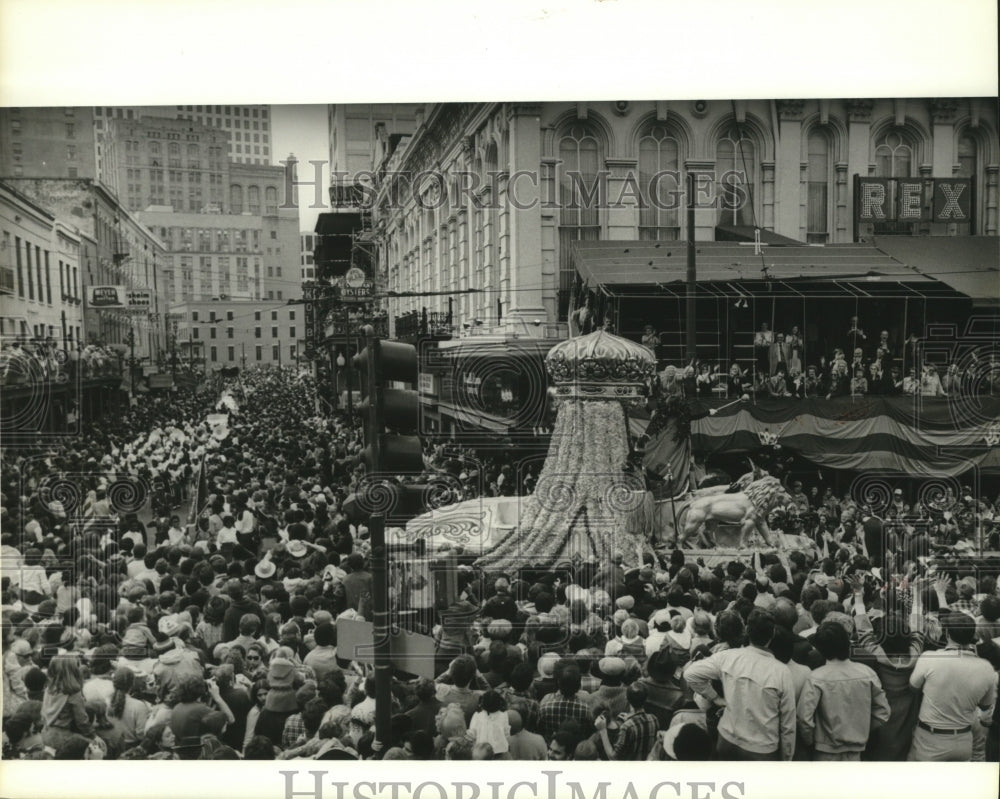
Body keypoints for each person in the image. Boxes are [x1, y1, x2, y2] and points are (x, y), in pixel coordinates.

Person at [683, 609, 797, 760]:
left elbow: (690, 673)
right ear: (772, 635)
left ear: (747, 631)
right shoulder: (782, 671)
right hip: (761, 748)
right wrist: (786, 758)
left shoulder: (728, 657)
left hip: (727, 740)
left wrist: (716, 698)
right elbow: (788, 724)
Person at [907, 611, 996, 761]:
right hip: (963, 740)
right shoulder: (986, 667)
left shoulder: (929, 658)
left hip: (930, 740)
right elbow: (986, 706)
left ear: (946, 634)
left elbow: (913, 687)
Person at [797, 621, 890, 760]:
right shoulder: (867, 673)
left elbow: (804, 719)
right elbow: (883, 711)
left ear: (821, 649)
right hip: (856, 750)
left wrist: (811, 741)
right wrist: (862, 729)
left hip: (825, 751)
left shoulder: (816, 677)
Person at [40, 654, 93, 753]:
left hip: (45, 733)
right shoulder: (73, 693)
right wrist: (93, 736)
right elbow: (82, 722)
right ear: (73, 671)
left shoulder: (49, 689)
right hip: (64, 737)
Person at [594, 683, 659, 760]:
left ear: (627, 699)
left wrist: (603, 730)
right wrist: (630, 720)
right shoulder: (654, 719)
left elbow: (613, 758)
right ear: (646, 699)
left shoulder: (626, 727)